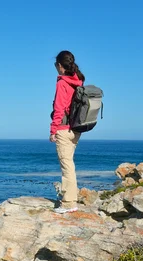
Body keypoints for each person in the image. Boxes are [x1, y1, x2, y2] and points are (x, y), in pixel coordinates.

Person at [49, 50, 85, 214]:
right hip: (76, 129)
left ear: (59, 65)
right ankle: (71, 198)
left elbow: (59, 108)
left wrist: (53, 130)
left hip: (63, 129)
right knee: (70, 164)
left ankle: (69, 203)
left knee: (67, 166)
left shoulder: (62, 83)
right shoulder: (78, 81)